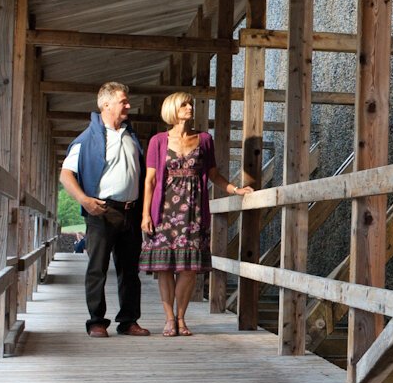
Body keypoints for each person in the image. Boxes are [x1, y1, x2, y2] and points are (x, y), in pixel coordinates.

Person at [141, 90, 253, 335]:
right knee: (164, 267)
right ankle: (169, 319)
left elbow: (213, 174)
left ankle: (181, 318)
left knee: (189, 268)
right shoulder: (158, 141)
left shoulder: (204, 139)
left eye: (191, 104)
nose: (190, 108)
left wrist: (235, 189)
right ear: (173, 109)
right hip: (164, 211)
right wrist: (145, 215)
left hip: (194, 211)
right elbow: (150, 181)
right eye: (184, 105)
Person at [60, 82, 150, 337]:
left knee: (130, 270)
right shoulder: (86, 139)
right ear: (106, 104)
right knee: (97, 268)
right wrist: (85, 201)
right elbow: (66, 175)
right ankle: (96, 321)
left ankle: (128, 321)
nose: (129, 105)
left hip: (130, 211)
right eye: (124, 101)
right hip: (101, 210)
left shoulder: (131, 136)